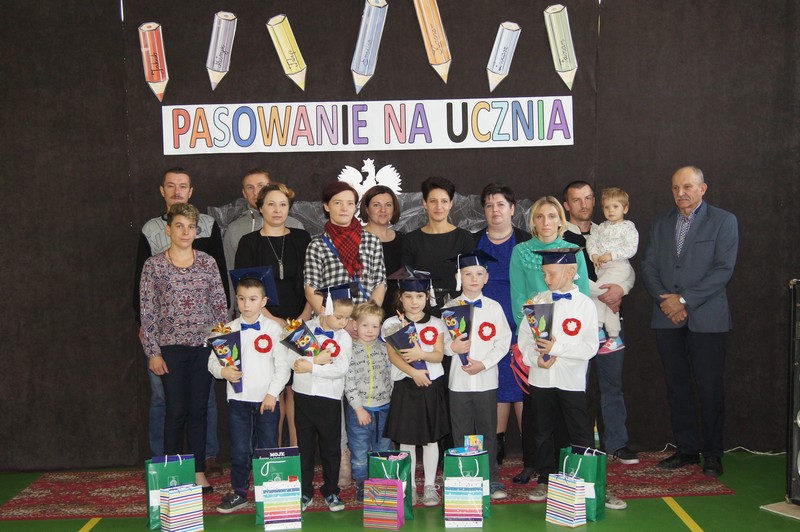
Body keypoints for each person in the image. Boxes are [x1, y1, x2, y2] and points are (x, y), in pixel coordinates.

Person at [641, 166, 738, 477]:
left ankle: (712, 454)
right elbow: (649, 266)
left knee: (710, 389)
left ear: (702, 189)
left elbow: (723, 270)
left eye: (687, 187)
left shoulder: (724, 221)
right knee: (677, 387)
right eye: (675, 187)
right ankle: (686, 450)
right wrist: (666, 301)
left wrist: (682, 301)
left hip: (707, 319)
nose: (680, 193)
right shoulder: (660, 222)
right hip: (666, 318)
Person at [134, 168, 226, 475]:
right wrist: (153, 352)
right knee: (174, 411)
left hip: (203, 348)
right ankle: (173, 472)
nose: (186, 232)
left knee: (199, 410)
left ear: (196, 231)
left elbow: (220, 307)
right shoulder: (153, 266)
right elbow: (147, 312)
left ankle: (198, 472)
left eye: (191, 227)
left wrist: (220, 347)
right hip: (169, 349)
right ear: (169, 230)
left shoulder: (208, 263)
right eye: (179, 226)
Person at [508, 196, 589, 486]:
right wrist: (538, 338)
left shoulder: (573, 250)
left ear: (560, 220)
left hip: (565, 342)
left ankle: (568, 471)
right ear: (533, 221)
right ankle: (537, 466)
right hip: (536, 335)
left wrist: (559, 343)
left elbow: (582, 293)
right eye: (540, 216)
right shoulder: (521, 251)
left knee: (567, 412)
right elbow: (519, 296)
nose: (546, 222)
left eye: (552, 216)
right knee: (537, 412)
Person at [562, 181, 638, 470]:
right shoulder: (559, 235)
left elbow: (627, 269)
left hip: (610, 320)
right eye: (576, 199)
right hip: (575, 324)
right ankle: (579, 444)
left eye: (589, 198)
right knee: (575, 387)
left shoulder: (610, 230)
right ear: (566, 205)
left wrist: (621, 289)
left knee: (612, 384)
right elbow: (570, 279)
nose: (584, 204)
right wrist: (604, 293)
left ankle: (616, 443)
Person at [517, 248, 598, 503]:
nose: (546, 279)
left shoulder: (585, 305)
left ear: (571, 272)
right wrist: (536, 360)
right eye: (544, 273)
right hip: (541, 380)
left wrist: (556, 349)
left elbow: (590, 347)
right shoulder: (537, 302)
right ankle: (545, 478)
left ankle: (585, 479)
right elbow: (524, 340)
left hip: (571, 381)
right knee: (542, 430)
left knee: (578, 430)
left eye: (551, 273)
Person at [209, 267, 292, 513]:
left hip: (267, 400)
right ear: (236, 299)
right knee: (240, 450)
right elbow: (212, 362)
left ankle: (271, 493)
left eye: (253, 299)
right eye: (242, 298)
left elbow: (283, 367)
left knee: (268, 448)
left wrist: (273, 393)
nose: (247, 304)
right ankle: (239, 492)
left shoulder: (274, 329)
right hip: (238, 400)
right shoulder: (226, 329)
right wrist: (223, 372)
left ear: (263, 301)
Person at [236, 182, 312, 449]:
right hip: (265, 323)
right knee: (274, 387)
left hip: (302, 319)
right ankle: (273, 451)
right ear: (260, 208)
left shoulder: (302, 238)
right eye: (271, 204)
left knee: (297, 388)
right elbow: (246, 287)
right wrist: (271, 319)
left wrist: (304, 316)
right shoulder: (249, 242)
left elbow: (312, 280)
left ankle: (295, 451)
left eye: (283, 204)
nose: (277, 210)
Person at [443, 251, 513, 500]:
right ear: (459, 277)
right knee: (460, 431)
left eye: (479, 274)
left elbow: (503, 342)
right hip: (459, 382)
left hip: (486, 380)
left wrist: (484, 364)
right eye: (468, 274)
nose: (473, 279)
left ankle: (491, 479)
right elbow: (441, 344)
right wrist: (452, 347)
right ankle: (464, 479)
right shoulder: (449, 308)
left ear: (486, 278)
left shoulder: (494, 308)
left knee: (487, 432)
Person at [472, 183, 531, 466]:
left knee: (521, 383)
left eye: (500, 205)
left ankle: (532, 453)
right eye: (489, 205)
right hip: (485, 328)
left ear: (512, 209)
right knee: (493, 384)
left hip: (522, 324)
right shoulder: (472, 242)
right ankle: (494, 450)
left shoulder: (526, 241)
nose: (495, 210)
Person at [382, 268, 450, 506]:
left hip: (431, 385)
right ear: (400, 297)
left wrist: (422, 354)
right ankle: (409, 486)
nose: (414, 301)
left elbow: (439, 355)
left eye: (419, 296)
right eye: (408, 296)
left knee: (431, 439)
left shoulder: (437, 323)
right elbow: (393, 356)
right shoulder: (392, 323)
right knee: (407, 440)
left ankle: (429, 485)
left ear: (427, 297)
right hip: (406, 385)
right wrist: (413, 372)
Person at [289, 285, 354, 512]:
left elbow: (340, 369)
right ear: (324, 309)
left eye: (347, 318)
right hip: (304, 397)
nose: (344, 322)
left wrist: (312, 367)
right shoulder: (304, 329)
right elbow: (293, 360)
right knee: (305, 447)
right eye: (339, 317)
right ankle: (305, 492)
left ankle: (331, 490)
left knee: (331, 448)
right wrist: (314, 362)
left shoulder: (345, 338)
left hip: (330, 399)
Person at [304, 181, 386, 314]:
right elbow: (311, 289)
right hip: (330, 319)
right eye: (338, 203)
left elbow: (380, 283)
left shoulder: (371, 241)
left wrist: (367, 318)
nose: (344, 208)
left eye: (350, 203)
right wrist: (335, 319)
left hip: (364, 320)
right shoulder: (317, 245)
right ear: (327, 206)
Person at [223, 169, 304, 303]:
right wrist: (234, 308)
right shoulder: (234, 230)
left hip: (297, 308)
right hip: (254, 309)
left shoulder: (296, 227)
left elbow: (308, 277)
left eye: (261, 186)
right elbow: (230, 272)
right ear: (244, 193)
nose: (256, 192)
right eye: (250, 187)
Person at [344, 301, 393, 502]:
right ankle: (362, 485)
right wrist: (358, 408)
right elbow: (348, 382)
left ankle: (383, 483)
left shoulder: (385, 348)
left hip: (385, 408)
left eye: (375, 326)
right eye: (365, 325)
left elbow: (392, 376)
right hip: (359, 410)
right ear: (355, 325)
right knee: (360, 452)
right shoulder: (349, 350)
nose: (370, 330)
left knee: (384, 449)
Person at [401, 176, 475, 310]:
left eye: (444, 201)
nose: (439, 207)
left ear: (451, 204)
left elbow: (472, 278)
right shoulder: (411, 240)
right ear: (425, 203)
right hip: (421, 310)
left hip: (457, 310)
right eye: (433, 201)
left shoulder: (465, 238)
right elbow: (407, 282)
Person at [586, 187, 639, 354]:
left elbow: (631, 248)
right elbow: (591, 242)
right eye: (607, 207)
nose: (611, 211)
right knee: (608, 299)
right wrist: (594, 255)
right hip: (603, 269)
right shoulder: (601, 228)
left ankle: (598, 328)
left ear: (625, 208)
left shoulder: (628, 227)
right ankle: (614, 336)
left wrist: (611, 255)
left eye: (615, 206)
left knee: (599, 294)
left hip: (619, 267)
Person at [361, 185, 405, 318]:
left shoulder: (404, 240)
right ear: (366, 209)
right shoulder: (356, 240)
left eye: (388, 205)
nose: (383, 210)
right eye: (376, 205)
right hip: (365, 314)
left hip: (398, 314)